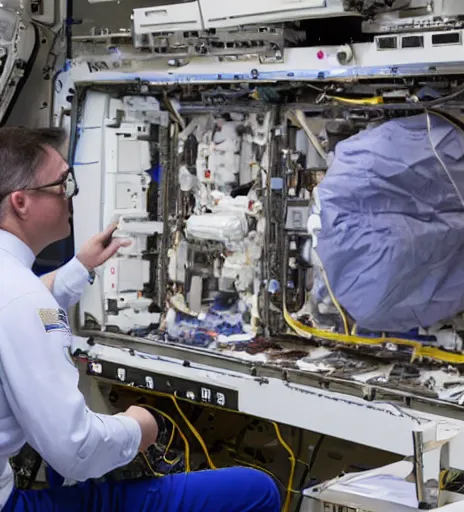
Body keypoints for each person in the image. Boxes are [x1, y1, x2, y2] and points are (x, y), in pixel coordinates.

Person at [0, 127, 281, 511]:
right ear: (21, 202)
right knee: (255, 490)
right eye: (62, 184)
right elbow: (75, 449)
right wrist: (140, 426)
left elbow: (18, 306)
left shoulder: (14, 286)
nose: (71, 194)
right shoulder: (22, 299)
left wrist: (80, 268)